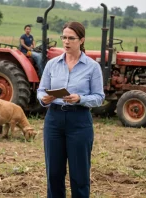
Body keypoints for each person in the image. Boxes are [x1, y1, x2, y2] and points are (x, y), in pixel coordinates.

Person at [37, 22, 105, 198]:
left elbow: (99, 97)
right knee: (54, 174)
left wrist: (80, 99)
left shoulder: (92, 66)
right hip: (54, 120)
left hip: (79, 121)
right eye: (64, 37)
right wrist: (44, 98)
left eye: (71, 38)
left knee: (79, 175)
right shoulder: (52, 65)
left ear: (81, 40)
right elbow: (41, 90)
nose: (66, 42)